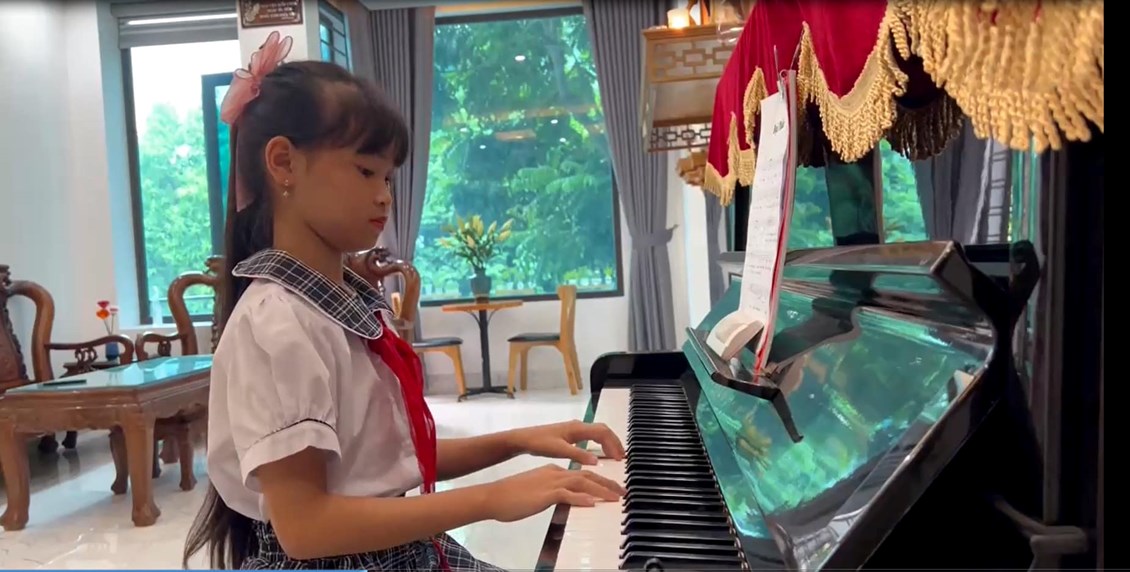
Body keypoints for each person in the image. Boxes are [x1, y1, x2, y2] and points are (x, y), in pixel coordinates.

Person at [183, 32, 625, 571]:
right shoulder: (277, 323)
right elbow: (305, 526)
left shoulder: (333, 305)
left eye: (389, 176)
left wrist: (519, 440)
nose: (384, 195)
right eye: (365, 171)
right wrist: (490, 499)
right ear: (284, 163)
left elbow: (386, 464)